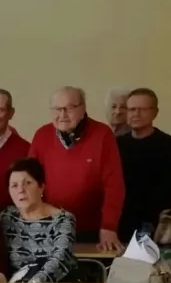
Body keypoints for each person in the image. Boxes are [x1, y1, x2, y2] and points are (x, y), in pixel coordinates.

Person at [28, 86, 124, 252]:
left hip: (92, 230)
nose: (62, 115)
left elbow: (114, 185)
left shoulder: (102, 134)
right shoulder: (42, 135)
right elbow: (29, 181)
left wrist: (109, 226)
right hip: (50, 227)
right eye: (57, 109)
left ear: (83, 108)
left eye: (69, 108)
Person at [116, 88, 171, 240]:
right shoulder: (117, 144)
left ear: (155, 112)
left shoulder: (168, 144)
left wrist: (160, 220)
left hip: (155, 228)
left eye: (143, 109)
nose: (136, 114)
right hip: (119, 226)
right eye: (132, 109)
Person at [1, 158, 78, 283]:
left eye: (28, 183)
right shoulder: (6, 217)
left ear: (41, 186)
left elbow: (60, 259)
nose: (20, 190)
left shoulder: (63, 220)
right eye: (14, 185)